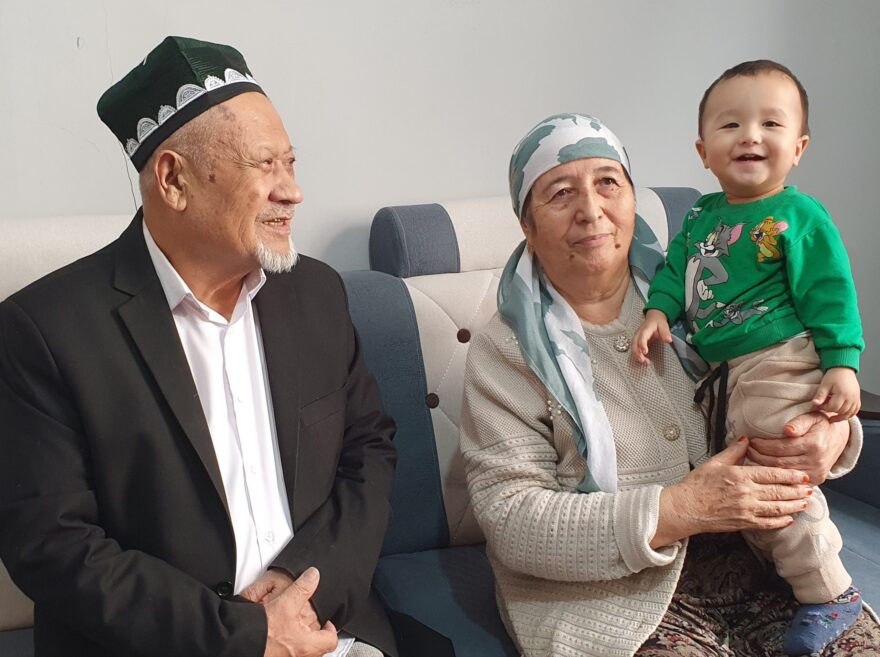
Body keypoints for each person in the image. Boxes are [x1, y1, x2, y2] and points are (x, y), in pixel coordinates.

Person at [0, 36, 396, 657]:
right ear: (173, 179)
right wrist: (249, 635)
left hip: (325, 623)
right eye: (264, 165)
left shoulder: (316, 293)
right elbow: (55, 546)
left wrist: (300, 585)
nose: (292, 191)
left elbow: (368, 450)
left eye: (291, 164)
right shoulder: (44, 332)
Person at [459, 112, 880, 657]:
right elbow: (511, 520)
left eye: (608, 183)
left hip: (772, 561)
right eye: (560, 193)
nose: (591, 210)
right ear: (528, 228)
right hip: (611, 600)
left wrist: (831, 433)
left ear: (633, 199)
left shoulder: (707, 296)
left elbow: (784, 372)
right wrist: (681, 509)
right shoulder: (505, 351)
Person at [633, 60, 864, 655]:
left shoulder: (799, 216)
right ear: (703, 150)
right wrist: (658, 312)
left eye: (771, 124)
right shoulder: (701, 216)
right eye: (731, 124)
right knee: (743, 474)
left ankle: (830, 592)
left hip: (782, 356)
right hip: (725, 372)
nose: (750, 136)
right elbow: (675, 272)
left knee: (775, 471)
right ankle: (778, 564)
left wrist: (842, 362)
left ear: (799, 147)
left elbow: (830, 291)